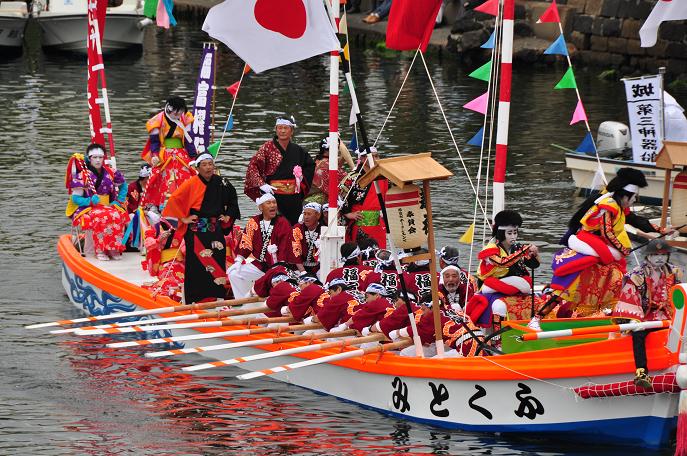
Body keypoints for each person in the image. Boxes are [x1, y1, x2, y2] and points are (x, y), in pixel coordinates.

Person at [531, 168, 673, 327]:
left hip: (601, 249)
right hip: (590, 244)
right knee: (569, 287)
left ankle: (618, 317)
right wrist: (622, 248)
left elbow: (635, 220)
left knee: (617, 279)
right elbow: (607, 232)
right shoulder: (608, 205)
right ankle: (536, 319)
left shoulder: (619, 206)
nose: (635, 200)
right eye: (634, 197)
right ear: (625, 195)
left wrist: (661, 230)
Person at [162, 152, 241, 304]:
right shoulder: (191, 183)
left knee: (216, 260)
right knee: (196, 264)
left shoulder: (222, 182)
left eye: (210, 164)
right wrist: (184, 219)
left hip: (215, 229)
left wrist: (228, 215)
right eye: (204, 165)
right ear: (197, 168)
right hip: (196, 230)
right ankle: (195, 298)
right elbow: (173, 201)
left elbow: (233, 200)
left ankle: (216, 295)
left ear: (214, 166)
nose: (208, 167)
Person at [612, 240, 682, 387]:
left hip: (668, 314)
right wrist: (634, 320)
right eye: (655, 254)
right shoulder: (637, 274)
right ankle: (641, 372)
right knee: (638, 333)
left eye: (663, 255)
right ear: (648, 256)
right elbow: (630, 296)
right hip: (645, 315)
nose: (659, 258)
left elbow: (678, 294)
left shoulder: (673, 272)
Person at [465, 210, 541, 334]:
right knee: (499, 306)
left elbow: (533, 265)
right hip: (491, 286)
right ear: (501, 233)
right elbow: (502, 262)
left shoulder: (516, 247)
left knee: (536, 299)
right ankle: (497, 337)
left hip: (514, 287)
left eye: (515, 232)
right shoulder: (490, 249)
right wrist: (524, 251)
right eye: (509, 233)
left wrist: (534, 254)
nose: (513, 236)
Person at [244, 115, 316, 225]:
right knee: (274, 225)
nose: (282, 131)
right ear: (276, 129)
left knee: (294, 225)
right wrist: (262, 184)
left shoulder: (298, 150)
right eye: (279, 128)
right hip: (273, 194)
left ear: (291, 131)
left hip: (293, 197)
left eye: (285, 128)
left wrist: (301, 178)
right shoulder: (267, 148)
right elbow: (253, 167)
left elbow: (310, 165)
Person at [66, 143, 127, 261]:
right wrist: (89, 201)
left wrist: (118, 201)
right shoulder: (82, 175)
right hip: (88, 207)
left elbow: (124, 185)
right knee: (100, 217)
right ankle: (100, 250)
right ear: (89, 158)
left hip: (108, 205)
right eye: (95, 157)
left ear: (104, 158)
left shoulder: (111, 172)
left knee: (118, 215)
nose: (98, 160)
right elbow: (75, 199)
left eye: (101, 157)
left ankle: (113, 248)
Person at [228, 193, 292, 298]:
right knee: (234, 274)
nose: (273, 205)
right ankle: (244, 301)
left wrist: (280, 263)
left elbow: (286, 245)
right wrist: (239, 260)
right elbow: (246, 241)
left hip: (279, 267)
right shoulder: (253, 221)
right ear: (260, 207)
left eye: (274, 202)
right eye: (269, 203)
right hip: (260, 265)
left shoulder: (283, 222)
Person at [142, 96, 197, 208]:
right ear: (168, 109)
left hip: (182, 153)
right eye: (176, 113)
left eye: (180, 112)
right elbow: (154, 142)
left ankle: (190, 204)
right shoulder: (156, 120)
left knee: (189, 176)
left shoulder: (186, 117)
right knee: (158, 179)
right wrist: (155, 155)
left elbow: (189, 140)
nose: (178, 116)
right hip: (164, 154)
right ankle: (156, 205)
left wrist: (194, 157)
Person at [341, 147, 387, 248]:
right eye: (371, 156)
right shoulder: (352, 177)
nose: (375, 159)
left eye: (376, 156)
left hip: (378, 223)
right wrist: (348, 214)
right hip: (360, 224)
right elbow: (338, 195)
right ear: (362, 159)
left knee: (380, 252)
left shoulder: (383, 175)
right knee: (362, 253)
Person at [306, 137, 349, 205]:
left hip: (309, 197)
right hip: (318, 199)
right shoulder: (327, 165)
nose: (338, 151)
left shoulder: (318, 160)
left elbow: (338, 165)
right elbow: (347, 179)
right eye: (337, 149)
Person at [290, 202, 324, 273]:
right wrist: (303, 272)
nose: (306, 217)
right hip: (299, 267)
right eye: (304, 214)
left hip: (319, 267)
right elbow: (295, 251)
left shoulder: (323, 229)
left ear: (318, 215)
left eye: (309, 214)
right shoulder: (297, 228)